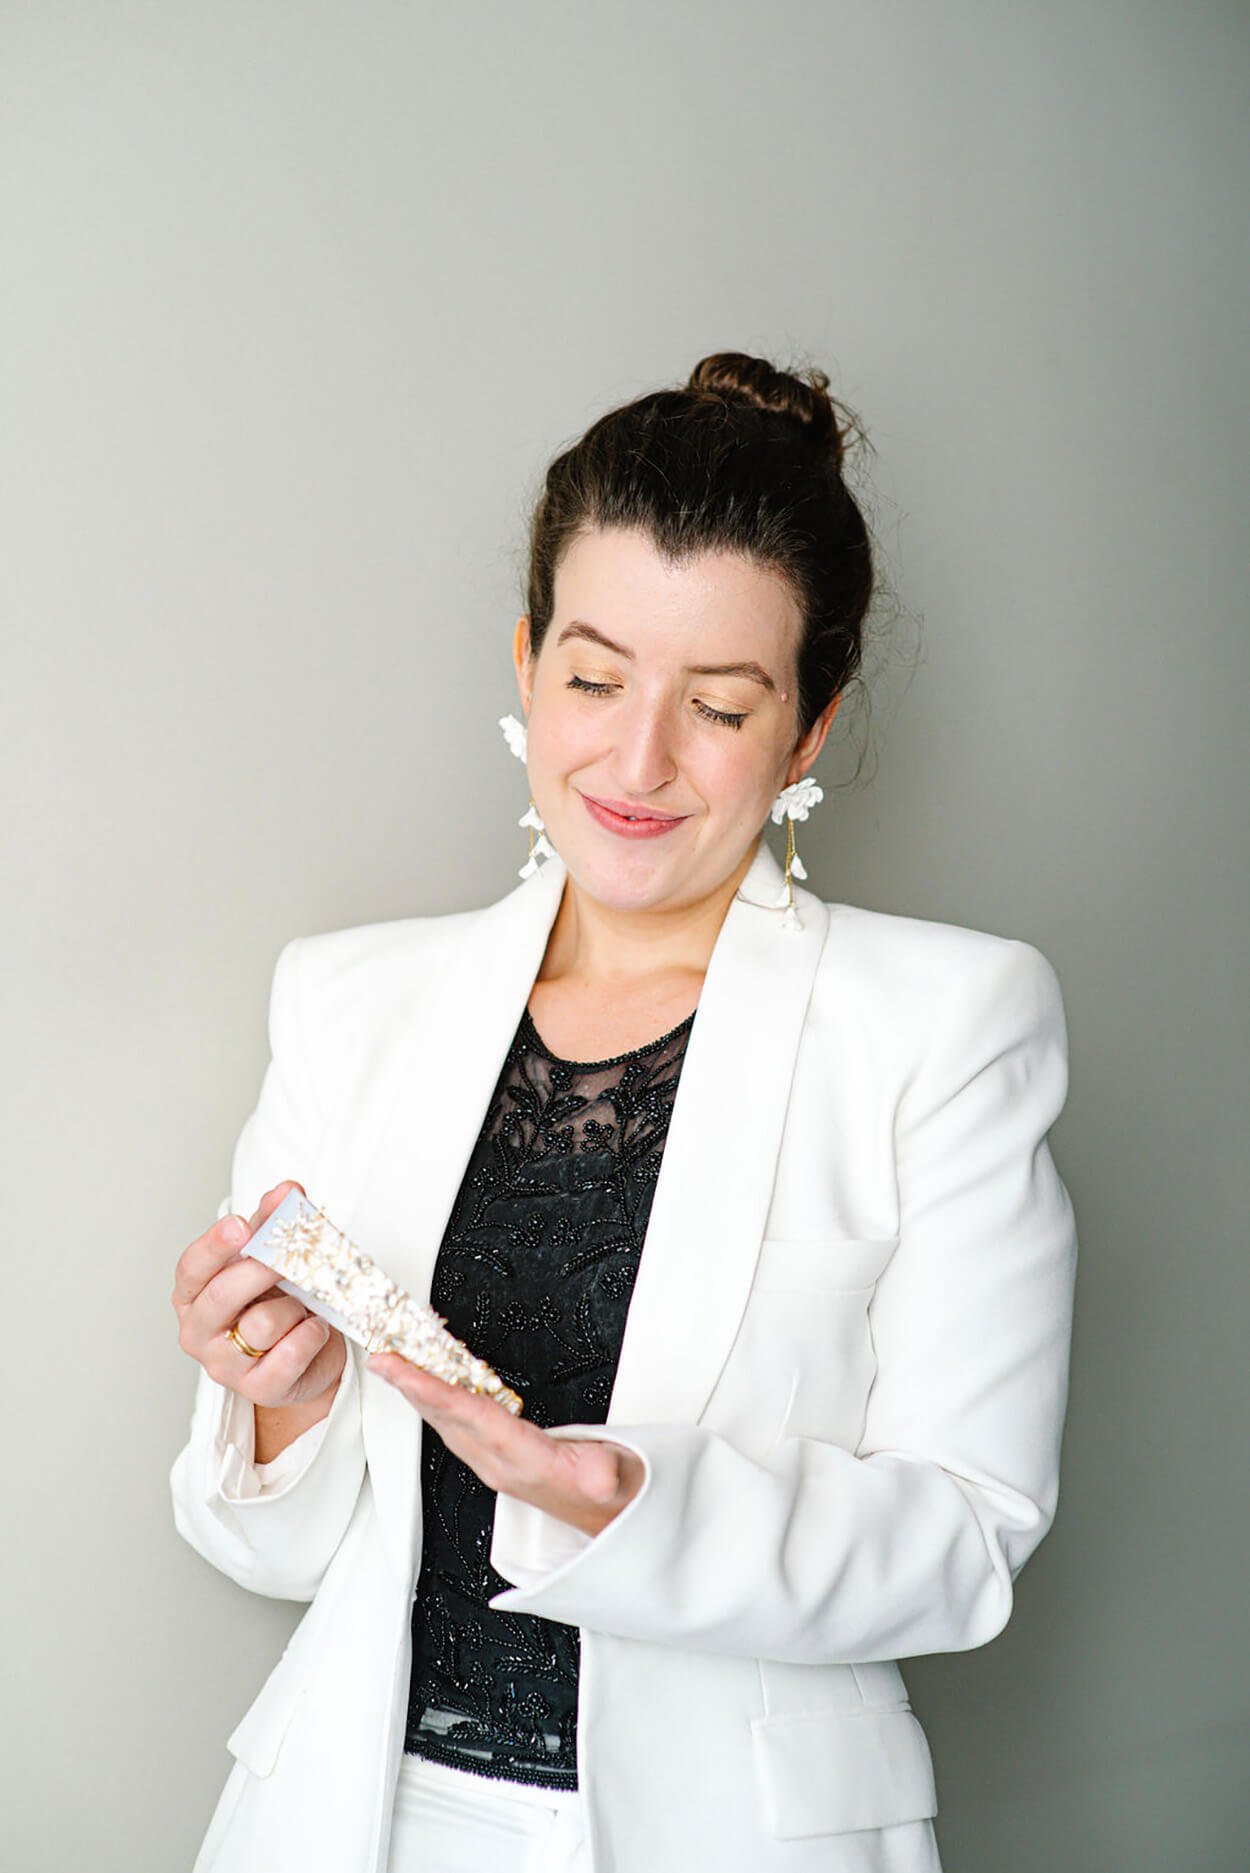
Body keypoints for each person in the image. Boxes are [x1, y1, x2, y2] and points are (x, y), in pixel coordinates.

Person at [170, 350, 1078, 1873]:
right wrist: (278, 1395)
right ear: (528, 665)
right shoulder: (346, 1003)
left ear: (806, 731)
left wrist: (628, 1499)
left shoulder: (946, 1023)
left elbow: (966, 1537)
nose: (639, 761)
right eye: (594, 679)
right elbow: (271, 1547)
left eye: (717, 705)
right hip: (347, 1823)